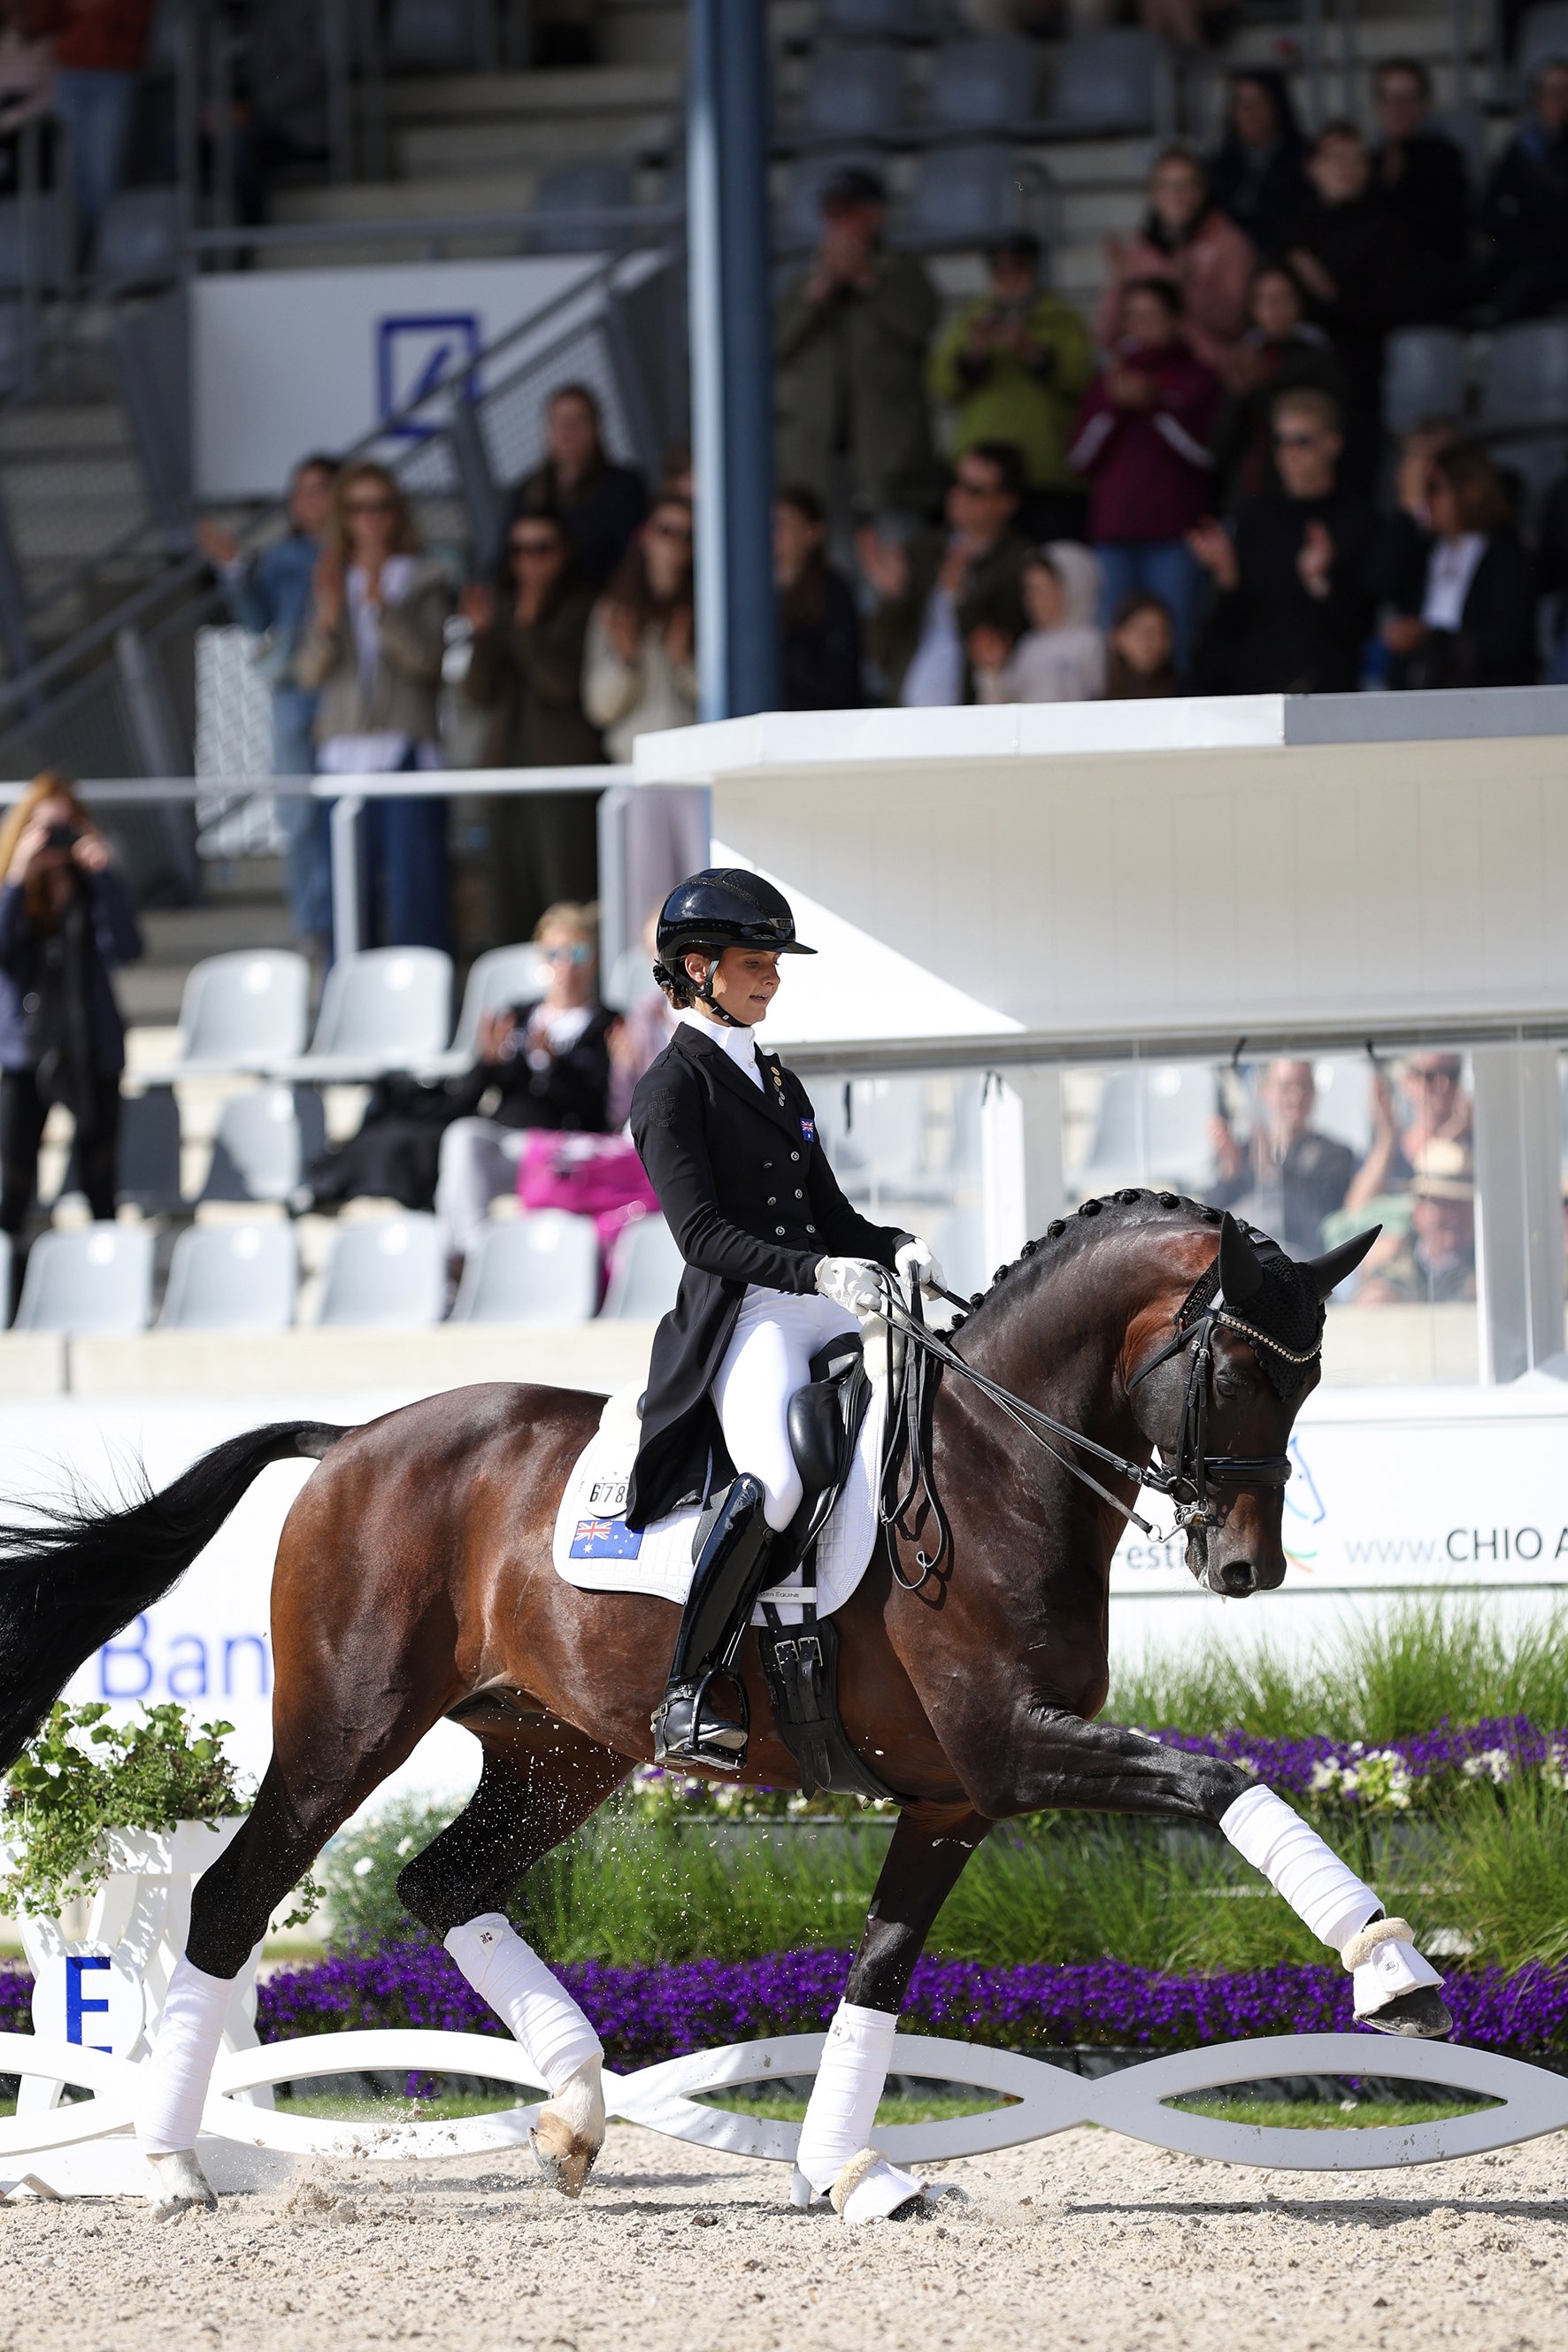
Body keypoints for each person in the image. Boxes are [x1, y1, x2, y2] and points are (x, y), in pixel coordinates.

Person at [625, 868, 943, 1767]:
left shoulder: (771, 1076)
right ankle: (690, 1687)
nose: (771, 979)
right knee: (777, 1479)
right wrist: (816, 1272)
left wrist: (891, 1244)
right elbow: (703, 1238)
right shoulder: (669, 1090)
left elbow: (831, 1212)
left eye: (773, 963)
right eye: (753, 963)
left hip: (823, 1294)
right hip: (751, 1314)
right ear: (695, 969)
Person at [294, 463, 452, 954]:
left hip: (403, 746)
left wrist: (384, 609)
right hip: (340, 753)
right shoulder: (329, 579)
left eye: (380, 506)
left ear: (396, 513)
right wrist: (326, 619)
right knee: (345, 895)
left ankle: (423, 1008)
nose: (369, 520)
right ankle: (347, 1007)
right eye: (357, 508)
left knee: (414, 893)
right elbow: (307, 673)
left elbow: (427, 661)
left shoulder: (426, 575)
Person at [198, 453, 339, 959]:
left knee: (349, 813)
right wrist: (233, 566)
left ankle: (352, 915)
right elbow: (256, 620)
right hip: (297, 696)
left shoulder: (362, 551)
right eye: (301, 492)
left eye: (320, 489)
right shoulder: (281, 558)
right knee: (299, 815)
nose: (310, 501)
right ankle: (312, 925)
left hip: (351, 699)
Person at [0, 773, 141, 1244]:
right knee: (11, 1180)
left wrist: (103, 877)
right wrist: (19, 874)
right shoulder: (13, 889)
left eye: (66, 829)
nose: (56, 841)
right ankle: (11, 1293)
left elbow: (128, 946)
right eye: (45, 829)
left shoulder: (93, 889)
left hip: (91, 1047)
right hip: (23, 1050)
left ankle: (102, 1283)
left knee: (100, 1180)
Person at [434, 900, 616, 1259]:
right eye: (554, 953)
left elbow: (601, 1108)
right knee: (462, 1137)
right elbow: (466, 1100)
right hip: (511, 1143)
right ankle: (470, 1252)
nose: (564, 966)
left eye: (577, 953)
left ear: (593, 959)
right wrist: (485, 1064)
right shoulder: (517, 1016)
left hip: (562, 1148)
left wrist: (554, 1067)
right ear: (540, 958)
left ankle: (465, 1263)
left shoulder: (608, 1025)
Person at [459, 505, 603, 945]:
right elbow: (476, 692)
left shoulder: (583, 607)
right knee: (507, 908)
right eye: (519, 550)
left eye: (541, 549)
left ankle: (578, 1003)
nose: (529, 561)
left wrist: (526, 626)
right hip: (508, 780)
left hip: (562, 783)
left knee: (565, 903)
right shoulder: (502, 611)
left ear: (563, 554)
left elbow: (562, 684)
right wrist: (485, 636)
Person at [773, 165, 942, 524]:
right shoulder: (803, 283)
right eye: (830, 213)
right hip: (815, 463)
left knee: (894, 560)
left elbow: (919, 326)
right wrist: (814, 297)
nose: (836, 224)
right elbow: (775, 345)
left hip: (890, 463)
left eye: (846, 212)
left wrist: (867, 280)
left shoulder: (903, 272)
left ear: (873, 215)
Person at [1068, 279, 1221, 673]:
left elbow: (1205, 454)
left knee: (1175, 639)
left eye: (1151, 315)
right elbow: (1080, 460)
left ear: (1174, 320)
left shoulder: (1196, 376)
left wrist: (1156, 406)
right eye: (1134, 316)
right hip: (1115, 535)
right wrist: (1116, 409)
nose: (1142, 325)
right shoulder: (1108, 380)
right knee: (1115, 644)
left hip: (1175, 534)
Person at [1188, 388, 1374, 696]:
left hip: (1328, 693)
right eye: (1280, 441)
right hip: (1257, 691)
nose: (1289, 451)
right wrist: (1227, 575)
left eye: (1302, 440)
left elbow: (1360, 625)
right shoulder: (1254, 518)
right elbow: (1230, 626)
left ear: (1332, 444)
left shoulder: (1357, 520)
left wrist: (1319, 582)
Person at [927, 231, 1094, 543]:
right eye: (999, 270)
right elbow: (941, 385)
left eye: (1016, 268)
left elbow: (1082, 381)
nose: (1007, 279)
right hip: (982, 475)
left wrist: (1032, 352)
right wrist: (975, 352)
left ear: (1032, 271)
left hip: (1046, 471)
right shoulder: (971, 320)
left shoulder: (1061, 319)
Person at [857, 442, 1031, 707]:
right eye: (956, 483)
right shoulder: (924, 549)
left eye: (975, 490)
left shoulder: (1020, 563)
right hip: (905, 709)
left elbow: (1002, 650)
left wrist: (959, 598)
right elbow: (879, 653)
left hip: (971, 719)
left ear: (1005, 503)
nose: (958, 495)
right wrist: (893, 597)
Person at [1280, 124, 1410, 445]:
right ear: (1313, 167)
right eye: (1336, 158)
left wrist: (1326, 291)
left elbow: (1383, 310)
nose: (1346, 168)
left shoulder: (1387, 228)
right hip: (1296, 371)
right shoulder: (1293, 228)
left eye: (1357, 159)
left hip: (1358, 372)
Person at [1380, 441, 1537, 691]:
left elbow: (1509, 640)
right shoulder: (1427, 551)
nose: (1425, 500)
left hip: (1486, 698)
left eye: (1433, 489)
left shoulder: (1507, 553)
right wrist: (1408, 512)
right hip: (1421, 696)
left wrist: (1429, 638)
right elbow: (1379, 581)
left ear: (1470, 490)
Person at [1095, 149, 1257, 374]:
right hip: (1145, 376)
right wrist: (1120, 284)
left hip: (1206, 373)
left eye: (1186, 185)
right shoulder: (1139, 250)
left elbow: (1236, 324)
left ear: (1202, 191)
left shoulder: (1230, 243)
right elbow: (1106, 337)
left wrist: (1188, 285)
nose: (1176, 194)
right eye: (1166, 185)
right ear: (1152, 193)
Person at [1210, 263, 1349, 511]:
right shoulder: (1244, 356)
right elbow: (1221, 446)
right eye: (1263, 299)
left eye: (1282, 298)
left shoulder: (1318, 357)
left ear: (1299, 302)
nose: (1273, 308)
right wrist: (1238, 394)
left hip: (1302, 495)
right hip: (1246, 493)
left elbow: (1318, 426)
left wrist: (1259, 386)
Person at [31, 0, 151, 257]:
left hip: (113, 74)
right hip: (70, 73)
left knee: (103, 173)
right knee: (69, 171)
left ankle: (104, 255)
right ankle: (70, 257)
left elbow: (137, 18)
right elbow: (42, 21)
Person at [582, 491, 696, 761]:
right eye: (666, 531)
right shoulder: (612, 610)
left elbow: (732, 698)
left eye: (687, 535)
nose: (675, 543)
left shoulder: (709, 608)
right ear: (646, 535)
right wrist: (626, 660)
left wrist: (683, 662)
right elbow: (599, 710)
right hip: (635, 765)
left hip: (698, 763)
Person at [503, 385, 649, 593]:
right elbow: (502, 559)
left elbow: (632, 557)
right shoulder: (526, 492)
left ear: (596, 427)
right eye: (559, 421)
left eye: (578, 421)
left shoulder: (624, 488)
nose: (568, 431)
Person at [1209, 1058, 1355, 1258]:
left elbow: (1321, 1218)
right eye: (1286, 1086)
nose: (1297, 1096)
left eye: (1304, 1085)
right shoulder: (1242, 1153)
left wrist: (1270, 1175)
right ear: (1264, 1091)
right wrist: (1229, 1171)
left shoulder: (1335, 1155)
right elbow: (1213, 1215)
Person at [1371, 58, 1471, 319]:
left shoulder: (1446, 158)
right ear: (1378, 105)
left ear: (1423, 103)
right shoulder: (1369, 162)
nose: (1398, 109)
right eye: (1390, 99)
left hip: (1426, 279)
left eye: (1407, 99)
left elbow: (1448, 232)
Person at [1476, 57, 1568, 321]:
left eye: (1563, 93)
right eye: (1550, 92)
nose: (1557, 101)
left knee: (1519, 291)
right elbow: (1487, 211)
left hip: (1557, 257)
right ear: (1537, 97)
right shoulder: (1520, 149)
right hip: (1524, 251)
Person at [970, 541, 1106, 704]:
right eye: (1030, 591)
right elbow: (1004, 705)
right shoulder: (1029, 646)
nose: (1035, 601)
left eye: (1043, 589)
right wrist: (992, 673)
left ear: (1074, 586)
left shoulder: (1090, 642)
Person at [1344, 1052, 1472, 1215]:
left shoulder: (1477, 1146)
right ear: (1407, 1081)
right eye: (1430, 1076)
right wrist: (1386, 1138)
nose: (1444, 1085)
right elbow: (1353, 1213)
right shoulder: (1388, 1150)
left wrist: (1453, 1141)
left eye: (1452, 1075)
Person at [1357, 1141, 1477, 1306]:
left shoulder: (1490, 1272)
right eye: (1442, 1204)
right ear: (1417, 1210)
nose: (1454, 1217)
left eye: (1461, 1204)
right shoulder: (1390, 1268)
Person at [774, 485, 861, 712]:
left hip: (818, 723)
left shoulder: (833, 592)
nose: (777, 534)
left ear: (813, 532)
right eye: (773, 524)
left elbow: (842, 678)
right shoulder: (755, 592)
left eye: (786, 524)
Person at [1206, 70, 1310, 258]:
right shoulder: (1217, 167)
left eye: (1258, 102)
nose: (1248, 112)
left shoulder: (1306, 162)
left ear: (1277, 106)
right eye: (1241, 103)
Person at [1104, 592, 1179, 698]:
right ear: (1117, 637)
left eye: (1156, 631)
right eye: (1139, 630)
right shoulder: (1097, 702)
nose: (1147, 640)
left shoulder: (1191, 698)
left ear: (1168, 641)